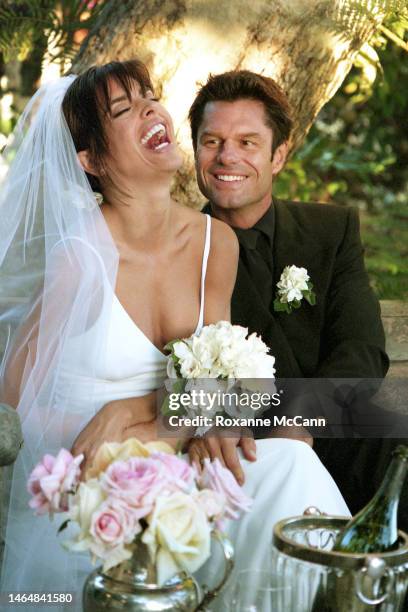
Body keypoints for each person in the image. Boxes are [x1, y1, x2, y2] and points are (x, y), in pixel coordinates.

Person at [0, 60, 348, 612]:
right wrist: (123, 437)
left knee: (291, 467)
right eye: (123, 109)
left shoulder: (215, 244)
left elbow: (232, 388)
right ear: (90, 159)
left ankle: (346, 595)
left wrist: (143, 412)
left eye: (149, 97)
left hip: (186, 461)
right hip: (99, 487)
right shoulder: (78, 257)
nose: (149, 109)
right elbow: (14, 409)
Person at [187, 69, 408, 528]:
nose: (227, 156)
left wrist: (303, 422)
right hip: (241, 447)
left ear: (279, 155)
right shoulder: (179, 249)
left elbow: (361, 349)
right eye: (212, 141)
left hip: (335, 431)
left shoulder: (331, 231)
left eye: (247, 142)